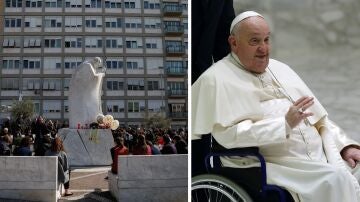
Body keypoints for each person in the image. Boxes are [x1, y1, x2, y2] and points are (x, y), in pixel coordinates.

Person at [192, 11, 360, 202]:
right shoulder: (215, 79)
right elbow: (230, 135)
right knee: (336, 180)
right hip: (279, 165)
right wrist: (285, 124)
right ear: (234, 43)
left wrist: (345, 146)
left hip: (320, 157)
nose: (264, 49)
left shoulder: (281, 68)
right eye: (255, 41)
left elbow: (319, 119)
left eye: (266, 40)